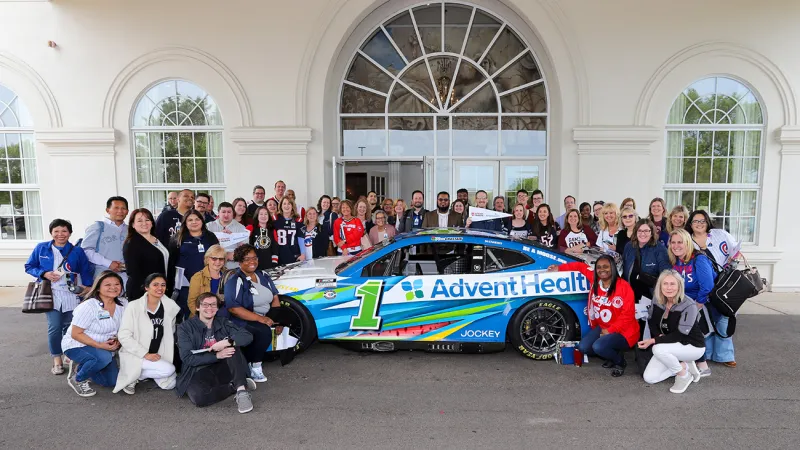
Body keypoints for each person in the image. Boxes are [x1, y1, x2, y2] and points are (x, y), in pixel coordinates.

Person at [548, 255, 637, 376]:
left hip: (624, 331)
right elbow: (581, 267)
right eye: (599, 267)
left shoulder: (624, 286)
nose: (602, 270)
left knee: (598, 347)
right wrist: (559, 268)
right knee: (584, 347)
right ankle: (612, 354)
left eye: (606, 266)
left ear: (613, 268)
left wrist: (610, 330)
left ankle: (619, 362)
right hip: (603, 326)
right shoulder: (595, 280)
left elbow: (628, 315)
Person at [25, 218, 94, 375]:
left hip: (72, 294)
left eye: (64, 231)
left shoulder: (77, 251)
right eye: (56, 231)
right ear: (51, 233)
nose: (60, 234)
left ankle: (68, 354)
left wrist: (88, 288)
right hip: (51, 294)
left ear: (69, 233)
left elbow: (85, 270)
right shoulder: (41, 248)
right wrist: (44, 273)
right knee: (55, 327)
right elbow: (29, 266)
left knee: (70, 328)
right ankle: (56, 358)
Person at [177, 292, 256, 413]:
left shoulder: (223, 322)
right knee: (199, 398)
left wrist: (227, 342)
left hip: (224, 367)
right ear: (198, 307)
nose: (210, 308)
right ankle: (234, 386)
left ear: (217, 308)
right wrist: (217, 356)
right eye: (205, 305)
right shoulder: (185, 328)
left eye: (213, 305)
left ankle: (242, 392)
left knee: (231, 348)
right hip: (199, 368)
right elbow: (187, 358)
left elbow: (247, 336)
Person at [684, 211, 739, 368]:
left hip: (723, 284)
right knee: (705, 319)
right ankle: (705, 353)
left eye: (702, 221)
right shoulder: (688, 240)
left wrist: (734, 258)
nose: (699, 224)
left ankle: (725, 354)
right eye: (696, 221)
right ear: (690, 224)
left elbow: (735, 249)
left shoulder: (719, 234)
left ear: (707, 222)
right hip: (702, 285)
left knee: (723, 317)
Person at [60, 271, 126, 397]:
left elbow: (125, 327)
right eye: (107, 284)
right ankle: (78, 378)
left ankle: (85, 367)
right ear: (98, 287)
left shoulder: (123, 304)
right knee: (103, 358)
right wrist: (100, 346)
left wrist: (118, 339)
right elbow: (76, 333)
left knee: (111, 382)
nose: (113, 287)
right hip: (77, 344)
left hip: (105, 348)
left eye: (117, 284)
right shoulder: (88, 306)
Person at [638, 271, 705, 393]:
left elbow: (681, 334)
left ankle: (683, 375)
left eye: (673, 284)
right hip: (669, 344)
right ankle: (684, 365)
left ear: (679, 286)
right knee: (650, 378)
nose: (669, 288)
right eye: (665, 284)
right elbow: (652, 322)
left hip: (692, 346)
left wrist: (654, 340)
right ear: (660, 286)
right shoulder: (657, 299)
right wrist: (659, 336)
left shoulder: (689, 304)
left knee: (657, 349)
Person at [223, 244, 281, 382]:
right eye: (247, 259)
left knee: (273, 329)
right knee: (263, 331)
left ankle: (252, 359)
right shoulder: (235, 280)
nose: (252, 262)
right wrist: (260, 319)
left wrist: (276, 320)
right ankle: (255, 367)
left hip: (263, 317)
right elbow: (233, 308)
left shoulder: (264, 275)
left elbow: (275, 298)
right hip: (241, 319)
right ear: (239, 262)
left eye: (254, 258)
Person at [114, 273, 179, 395]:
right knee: (170, 369)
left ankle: (140, 374)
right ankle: (132, 376)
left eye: (163, 285)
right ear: (146, 288)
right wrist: (145, 354)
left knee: (170, 384)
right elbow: (124, 335)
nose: (160, 288)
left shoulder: (170, 307)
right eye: (155, 285)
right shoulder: (134, 306)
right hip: (137, 354)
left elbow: (171, 332)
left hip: (157, 354)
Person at [668, 229, 718, 375]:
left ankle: (703, 366)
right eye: (673, 242)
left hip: (698, 303)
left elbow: (708, 285)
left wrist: (697, 305)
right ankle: (691, 364)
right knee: (685, 334)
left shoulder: (698, 259)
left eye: (680, 242)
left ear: (687, 243)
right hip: (682, 304)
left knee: (693, 333)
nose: (676, 246)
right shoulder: (676, 261)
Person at [168, 210, 220, 320]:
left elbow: (217, 257)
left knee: (208, 310)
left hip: (207, 281)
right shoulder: (177, 238)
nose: (194, 222)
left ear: (202, 221)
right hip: (185, 283)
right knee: (189, 312)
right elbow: (171, 262)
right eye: (190, 220)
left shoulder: (211, 237)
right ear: (185, 223)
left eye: (197, 219)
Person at [123, 208, 171, 301]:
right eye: (139, 220)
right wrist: (150, 289)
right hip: (144, 292)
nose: (144, 223)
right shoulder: (131, 244)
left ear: (152, 222)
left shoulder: (157, 238)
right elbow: (133, 273)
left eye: (147, 220)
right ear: (133, 224)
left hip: (159, 289)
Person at [82, 196, 129, 284]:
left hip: (126, 277)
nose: (120, 211)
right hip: (103, 276)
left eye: (123, 208)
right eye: (116, 208)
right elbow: (86, 250)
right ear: (108, 210)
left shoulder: (130, 230)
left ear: (127, 211)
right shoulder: (98, 227)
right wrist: (109, 263)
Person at [622, 220, 671, 301]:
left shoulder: (660, 250)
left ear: (651, 233)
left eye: (646, 231)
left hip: (650, 297)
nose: (642, 234)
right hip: (629, 294)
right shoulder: (629, 246)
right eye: (640, 231)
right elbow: (624, 267)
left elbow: (666, 274)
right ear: (635, 232)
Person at [188, 244, 227, 318]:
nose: (218, 262)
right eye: (214, 258)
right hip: (202, 317)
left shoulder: (229, 275)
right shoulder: (197, 277)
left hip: (224, 317)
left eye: (221, 259)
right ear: (207, 259)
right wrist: (204, 318)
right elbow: (192, 303)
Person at [206, 201, 249, 269]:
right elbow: (205, 245)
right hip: (213, 265)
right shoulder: (209, 226)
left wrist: (234, 238)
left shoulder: (241, 228)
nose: (226, 215)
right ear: (218, 213)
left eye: (229, 212)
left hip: (233, 265)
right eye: (223, 212)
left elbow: (245, 249)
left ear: (233, 213)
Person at [273, 197, 305, 265]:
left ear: (292, 206)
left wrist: (303, 253)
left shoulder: (298, 220)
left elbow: (301, 238)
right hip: (279, 254)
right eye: (284, 204)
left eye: (289, 204)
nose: (286, 206)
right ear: (281, 206)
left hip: (294, 253)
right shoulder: (275, 219)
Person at [248, 206, 278, 270]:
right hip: (254, 264)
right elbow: (241, 239)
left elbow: (275, 248)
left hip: (269, 264)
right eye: (261, 214)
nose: (263, 216)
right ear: (257, 216)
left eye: (266, 214)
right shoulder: (250, 228)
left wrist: (274, 262)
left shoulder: (272, 230)